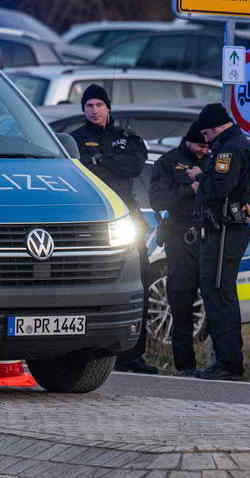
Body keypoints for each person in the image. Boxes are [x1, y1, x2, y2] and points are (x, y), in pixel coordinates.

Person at [68, 84, 154, 374]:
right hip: (88, 220)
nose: (94, 110)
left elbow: (134, 165)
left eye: (99, 105)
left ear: (108, 108)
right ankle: (84, 351)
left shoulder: (125, 136)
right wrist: (104, 165)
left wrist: (100, 161)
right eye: (89, 105)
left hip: (126, 218)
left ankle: (134, 354)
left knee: (137, 283)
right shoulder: (75, 139)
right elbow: (81, 171)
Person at [187, 103, 250, 381]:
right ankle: (227, 360)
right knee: (218, 291)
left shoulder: (228, 148)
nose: (204, 138)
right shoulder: (233, 144)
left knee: (218, 291)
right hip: (225, 228)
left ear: (213, 126)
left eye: (205, 132)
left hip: (225, 230)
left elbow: (220, 186)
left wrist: (200, 179)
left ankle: (228, 363)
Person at [148, 122, 209, 376]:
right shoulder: (169, 162)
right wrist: (189, 188)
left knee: (215, 301)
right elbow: (158, 199)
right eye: (200, 146)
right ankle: (184, 364)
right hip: (179, 238)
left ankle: (220, 362)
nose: (204, 151)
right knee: (181, 302)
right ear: (188, 141)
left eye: (207, 146)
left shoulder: (214, 159)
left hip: (208, 238)